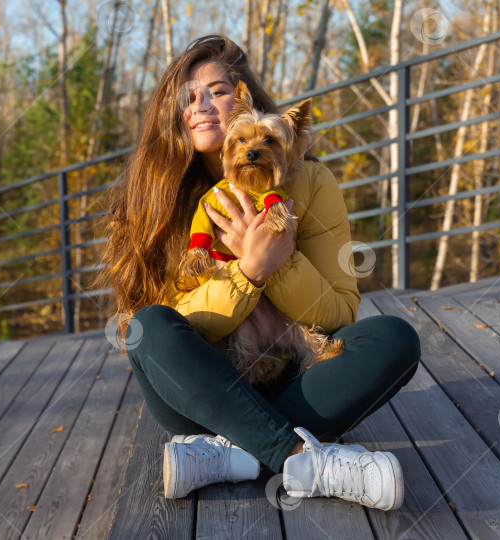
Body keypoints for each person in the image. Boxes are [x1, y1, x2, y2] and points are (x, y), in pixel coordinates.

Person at [98, 35, 420, 511]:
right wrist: (249, 270)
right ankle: (304, 460)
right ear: (174, 116)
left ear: (244, 94)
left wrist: (281, 262)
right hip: (204, 391)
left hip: (297, 376)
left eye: (217, 90)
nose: (202, 105)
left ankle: (229, 455)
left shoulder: (312, 182)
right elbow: (178, 326)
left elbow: (338, 313)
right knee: (148, 327)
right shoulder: (155, 201)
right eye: (187, 98)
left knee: (394, 338)